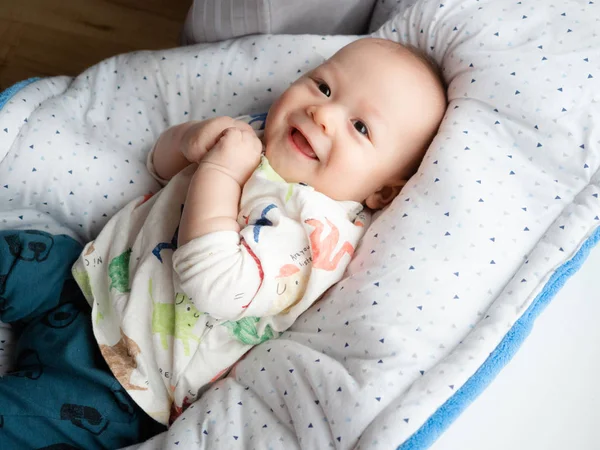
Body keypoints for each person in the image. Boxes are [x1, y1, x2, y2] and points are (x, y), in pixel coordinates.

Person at [0, 37, 446, 448]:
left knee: (18, 418)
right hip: (82, 274)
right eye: (324, 87)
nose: (323, 114)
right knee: (17, 255)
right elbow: (159, 167)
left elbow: (216, 284)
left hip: (122, 382)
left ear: (384, 192)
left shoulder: (314, 235)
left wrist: (223, 172)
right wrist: (191, 142)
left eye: (361, 127)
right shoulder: (255, 135)